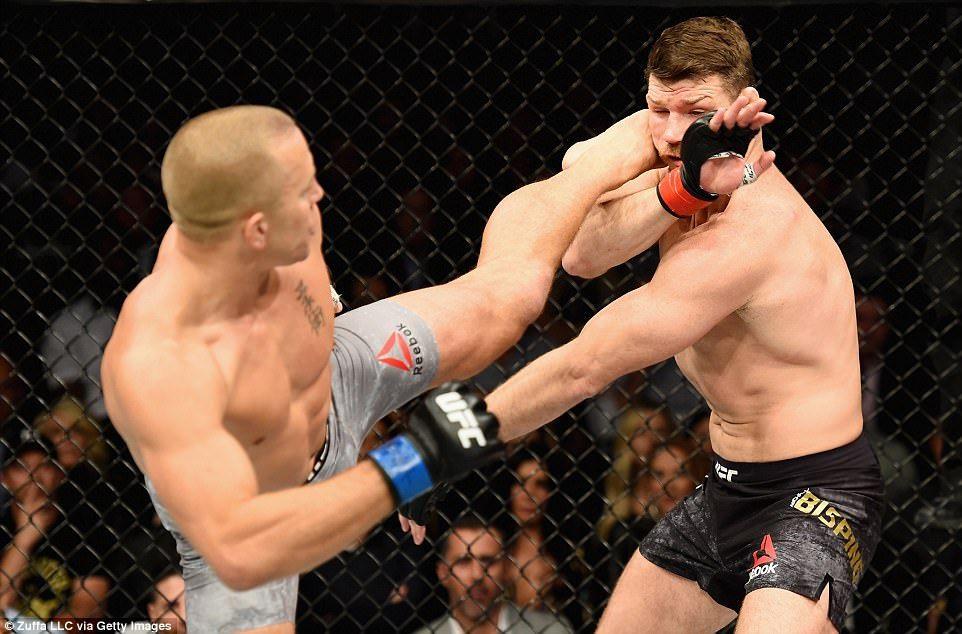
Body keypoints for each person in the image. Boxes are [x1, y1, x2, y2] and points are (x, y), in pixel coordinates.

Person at [100, 103, 654, 631]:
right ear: (256, 230)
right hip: (259, 516)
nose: (319, 194)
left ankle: (625, 147)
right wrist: (413, 462)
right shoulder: (163, 365)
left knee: (508, 300)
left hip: (339, 373)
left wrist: (383, 442)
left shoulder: (273, 219)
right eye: (303, 191)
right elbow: (244, 551)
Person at [461, 16, 883, 633]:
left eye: (697, 112)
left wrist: (448, 451)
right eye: (659, 107)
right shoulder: (665, 140)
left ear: (743, 108)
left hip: (815, 492)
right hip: (729, 485)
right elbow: (580, 251)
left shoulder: (751, 233)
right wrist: (679, 188)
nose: (672, 130)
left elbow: (585, 366)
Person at [413, 517, 571, 634]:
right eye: (464, 561)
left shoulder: (550, 631)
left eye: (488, 561)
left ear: (506, 568)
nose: (477, 575)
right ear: (443, 573)